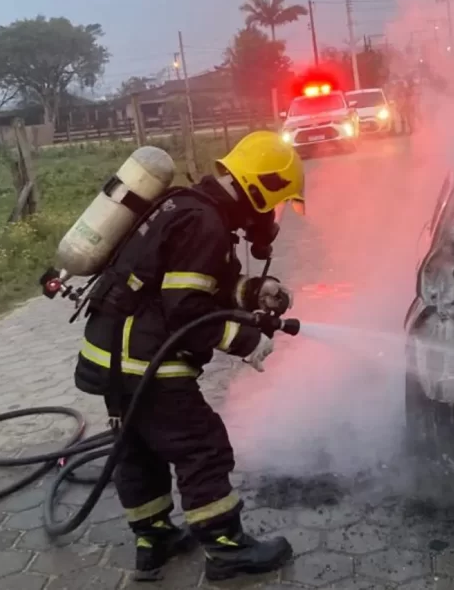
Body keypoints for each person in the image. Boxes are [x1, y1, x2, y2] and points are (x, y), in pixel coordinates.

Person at [73, 130, 305, 582]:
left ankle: (153, 538)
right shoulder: (205, 223)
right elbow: (186, 310)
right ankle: (225, 546)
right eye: (276, 205)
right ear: (260, 188)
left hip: (109, 354)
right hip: (147, 361)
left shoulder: (186, 206)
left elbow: (194, 282)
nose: (271, 218)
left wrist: (255, 290)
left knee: (139, 448)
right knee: (202, 446)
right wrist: (247, 341)